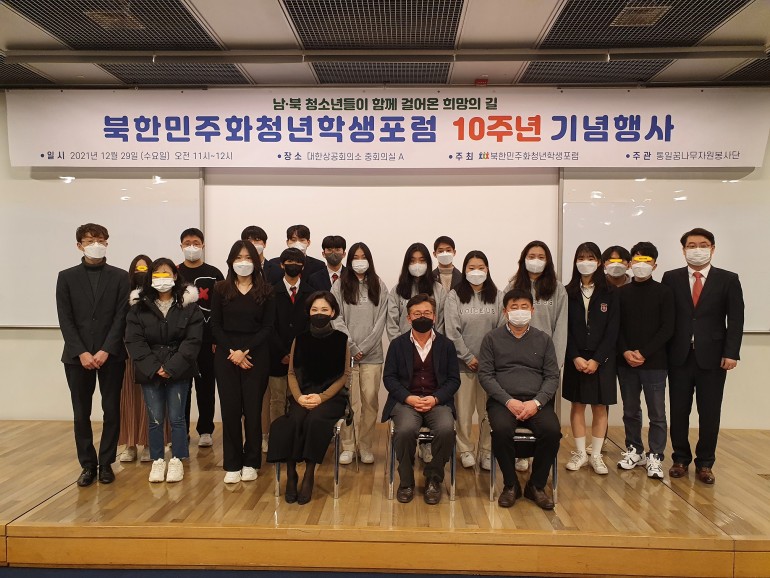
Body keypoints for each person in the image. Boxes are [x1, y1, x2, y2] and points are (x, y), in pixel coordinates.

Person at [662, 227, 744, 484]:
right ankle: (680, 459)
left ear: (712, 249)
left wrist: (731, 353)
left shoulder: (728, 279)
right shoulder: (671, 278)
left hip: (714, 357)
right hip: (679, 356)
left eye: (703, 245)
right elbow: (665, 317)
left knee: (709, 412)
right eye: (691, 245)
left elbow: (736, 319)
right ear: (683, 250)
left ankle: (706, 463)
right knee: (679, 411)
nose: (697, 249)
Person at [56, 223, 129, 487]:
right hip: (77, 357)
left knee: (111, 411)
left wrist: (106, 349)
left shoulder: (120, 276)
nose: (95, 244)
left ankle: (106, 463)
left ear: (107, 243)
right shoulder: (66, 277)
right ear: (79, 245)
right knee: (81, 413)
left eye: (100, 240)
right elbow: (65, 319)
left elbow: (121, 317)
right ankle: (88, 465)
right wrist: (82, 352)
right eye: (89, 241)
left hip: (111, 355)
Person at [478, 289, 561, 509]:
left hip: (536, 402)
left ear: (532, 310)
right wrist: (508, 401)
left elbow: (552, 376)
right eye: (514, 307)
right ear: (505, 311)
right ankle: (510, 484)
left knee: (552, 431)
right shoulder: (491, 339)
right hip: (503, 402)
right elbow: (485, 375)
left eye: (524, 307)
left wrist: (536, 403)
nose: (519, 311)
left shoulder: (544, 340)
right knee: (501, 430)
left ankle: (536, 486)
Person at [267, 291, 351, 504]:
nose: (319, 313)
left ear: (332, 312)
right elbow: (291, 373)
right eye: (314, 310)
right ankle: (291, 472)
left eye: (324, 309)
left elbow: (345, 375)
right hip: (302, 395)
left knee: (315, 420)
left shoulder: (341, 340)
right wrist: (299, 397)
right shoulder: (300, 339)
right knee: (292, 421)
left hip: (331, 398)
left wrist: (321, 397)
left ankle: (309, 473)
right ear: (308, 312)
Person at [125, 258, 203, 483]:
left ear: (175, 276)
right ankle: (158, 461)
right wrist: (155, 367)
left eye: (166, 273)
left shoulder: (189, 306)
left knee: (177, 418)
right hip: (150, 371)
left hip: (179, 370)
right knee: (155, 419)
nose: (162, 278)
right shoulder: (139, 307)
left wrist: (171, 367)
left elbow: (193, 341)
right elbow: (134, 341)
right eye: (157, 274)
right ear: (150, 278)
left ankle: (177, 459)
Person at [382, 294, 460, 505]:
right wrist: (408, 398)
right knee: (405, 431)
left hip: (437, 401)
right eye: (417, 314)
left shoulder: (446, 345)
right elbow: (389, 378)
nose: (422, 317)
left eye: (427, 313)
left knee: (446, 429)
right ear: (409, 318)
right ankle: (406, 481)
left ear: (434, 317)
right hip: (406, 402)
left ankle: (434, 478)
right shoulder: (397, 344)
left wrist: (435, 398)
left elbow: (454, 380)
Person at [211, 241, 275, 484]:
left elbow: (268, 327)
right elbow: (215, 325)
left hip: (256, 355)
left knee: (252, 411)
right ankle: (232, 463)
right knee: (230, 411)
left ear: (256, 262)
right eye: (238, 257)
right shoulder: (220, 288)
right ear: (230, 261)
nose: (243, 262)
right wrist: (233, 352)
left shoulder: (266, 290)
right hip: (226, 356)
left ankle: (251, 461)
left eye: (248, 258)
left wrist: (245, 351)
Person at [505, 240, 568, 473]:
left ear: (548, 261)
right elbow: (504, 320)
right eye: (531, 256)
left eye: (541, 257)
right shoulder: (512, 285)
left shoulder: (557, 289)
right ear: (523, 259)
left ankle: (538, 458)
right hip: (516, 361)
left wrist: (556, 362)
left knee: (541, 413)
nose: (536, 260)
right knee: (517, 410)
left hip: (545, 360)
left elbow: (561, 327)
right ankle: (520, 455)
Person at [616, 242, 674, 479]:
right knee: (630, 410)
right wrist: (625, 352)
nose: (641, 265)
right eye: (637, 260)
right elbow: (616, 327)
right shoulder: (621, 293)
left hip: (655, 362)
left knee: (657, 413)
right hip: (626, 362)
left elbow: (667, 328)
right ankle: (634, 450)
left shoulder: (664, 292)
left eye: (646, 261)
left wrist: (644, 352)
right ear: (630, 264)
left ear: (655, 265)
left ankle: (656, 456)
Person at [563, 242, 619, 475]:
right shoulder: (567, 292)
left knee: (599, 407)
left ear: (599, 262)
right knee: (577, 405)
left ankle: (595, 455)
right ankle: (579, 453)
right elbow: (564, 328)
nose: (585, 262)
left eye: (590, 258)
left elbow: (613, 330)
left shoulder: (611, 292)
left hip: (602, 359)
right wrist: (574, 356)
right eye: (581, 258)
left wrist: (597, 359)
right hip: (576, 357)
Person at [444, 250, 503, 471]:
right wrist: (468, 357)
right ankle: (465, 450)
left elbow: (501, 329)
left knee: (488, 412)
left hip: (490, 367)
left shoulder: (498, 296)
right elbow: (452, 331)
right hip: (462, 365)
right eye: (471, 268)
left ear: (487, 270)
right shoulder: (454, 296)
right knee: (464, 412)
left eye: (481, 268)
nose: (476, 272)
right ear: (464, 270)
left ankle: (486, 451)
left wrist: (486, 360)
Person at [331, 242, 388, 465]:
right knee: (349, 403)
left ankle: (365, 446)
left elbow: (381, 319)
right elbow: (336, 318)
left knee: (370, 402)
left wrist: (364, 347)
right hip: (347, 355)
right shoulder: (340, 285)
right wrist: (352, 347)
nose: (359, 260)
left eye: (363, 256)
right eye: (355, 257)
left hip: (372, 356)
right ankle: (348, 446)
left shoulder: (378, 285)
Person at [177, 227, 224, 449]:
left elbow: (221, 308)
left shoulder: (214, 273)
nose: (192, 247)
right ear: (181, 246)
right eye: (187, 243)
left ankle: (206, 430)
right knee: (182, 388)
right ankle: (181, 430)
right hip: (180, 342)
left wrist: (216, 339)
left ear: (203, 245)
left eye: (196, 243)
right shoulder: (174, 272)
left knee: (206, 387)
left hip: (207, 341)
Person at [266, 248, 314, 451]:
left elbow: (311, 326)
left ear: (303, 266)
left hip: (302, 358)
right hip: (277, 357)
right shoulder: (270, 291)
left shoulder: (311, 292)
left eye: (297, 262)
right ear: (281, 264)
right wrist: (283, 353)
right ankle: (278, 439)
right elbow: (269, 326)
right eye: (289, 261)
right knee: (277, 400)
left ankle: (298, 439)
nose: (293, 265)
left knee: (299, 400)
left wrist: (296, 354)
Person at [117, 254, 158, 463]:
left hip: (151, 353)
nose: (141, 273)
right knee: (128, 399)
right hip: (128, 354)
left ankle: (150, 443)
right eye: (137, 269)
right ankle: (130, 444)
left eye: (145, 269)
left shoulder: (157, 295)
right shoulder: (124, 296)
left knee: (150, 399)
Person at [387, 242, 447, 341]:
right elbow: (392, 324)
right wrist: (400, 345)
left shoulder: (439, 289)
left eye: (422, 261)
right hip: (404, 346)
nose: (417, 264)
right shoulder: (397, 290)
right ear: (407, 264)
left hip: (432, 345)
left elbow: (441, 322)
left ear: (428, 263)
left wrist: (435, 344)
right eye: (412, 261)